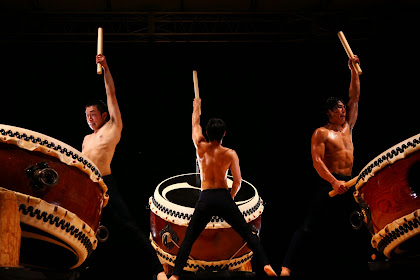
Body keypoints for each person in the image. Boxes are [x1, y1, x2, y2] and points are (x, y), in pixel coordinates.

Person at [168, 98, 277, 280]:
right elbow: (238, 181)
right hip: (223, 196)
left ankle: (175, 276)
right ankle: (266, 264)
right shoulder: (230, 154)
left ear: (207, 133)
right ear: (224, 134)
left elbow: (195, 125)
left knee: (189, 239)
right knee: (248, 234)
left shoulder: (200, 147)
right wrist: (230, 199)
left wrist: (196, 107)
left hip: (205, 198)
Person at [81, 54, 167, 280]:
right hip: (87, 188)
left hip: (105, 185)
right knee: (83, 231)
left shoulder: (113, 127)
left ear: (104, 115)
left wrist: (106, 67)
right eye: (86, 115)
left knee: (128, 228)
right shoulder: (86, 139)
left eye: (93, 114)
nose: (90, 119)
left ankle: (158, 270)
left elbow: (111, 93)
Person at [280, 56, 361, 276]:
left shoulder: (347, 128)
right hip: (329, 182)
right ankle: (287, 265)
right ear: (328, 113)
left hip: (349, 182)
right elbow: (316, 161)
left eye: (343, 108)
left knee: (361, 222)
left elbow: (354, 97)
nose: (343, 111)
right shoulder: (321, 133)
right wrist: (334, 181)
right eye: (337, 109)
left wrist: (353, 70)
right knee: (309, 226)